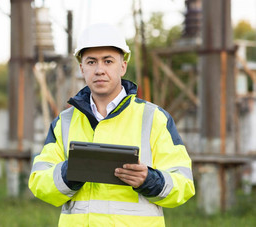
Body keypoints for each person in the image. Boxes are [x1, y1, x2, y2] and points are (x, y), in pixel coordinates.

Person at [28, 23, 195, 227]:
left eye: (108, 61)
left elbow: (184, 184)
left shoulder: (154, 118)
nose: (99, 70)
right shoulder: (64, 122)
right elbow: (39, 183)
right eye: (91, 62)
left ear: (122, 66)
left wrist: (149, 180)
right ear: (82, 68)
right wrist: (70, 172)